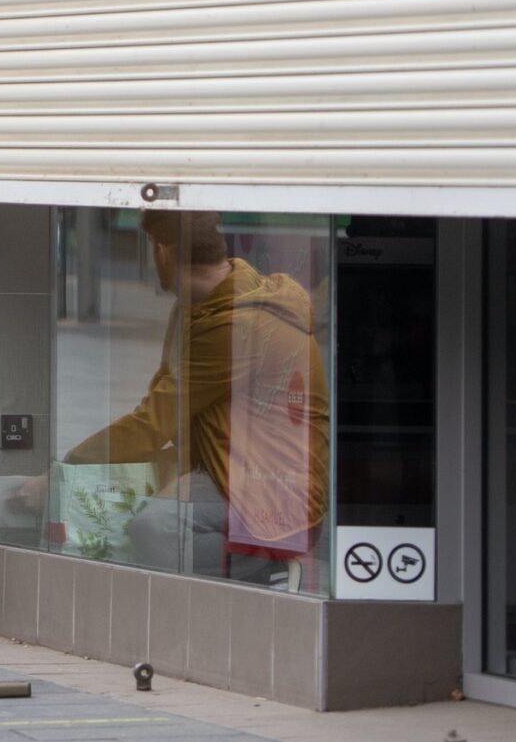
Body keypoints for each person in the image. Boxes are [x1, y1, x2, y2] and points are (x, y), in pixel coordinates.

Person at [23, 210, 328, 581]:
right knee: (117, 501)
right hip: (223, 470)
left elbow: (153, 424)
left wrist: (65, 471)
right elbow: (163, 411)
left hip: (275, 493)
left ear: (162, 250)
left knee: (155, 529)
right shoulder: (196, 307)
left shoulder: (239, 325)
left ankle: (264, 567)